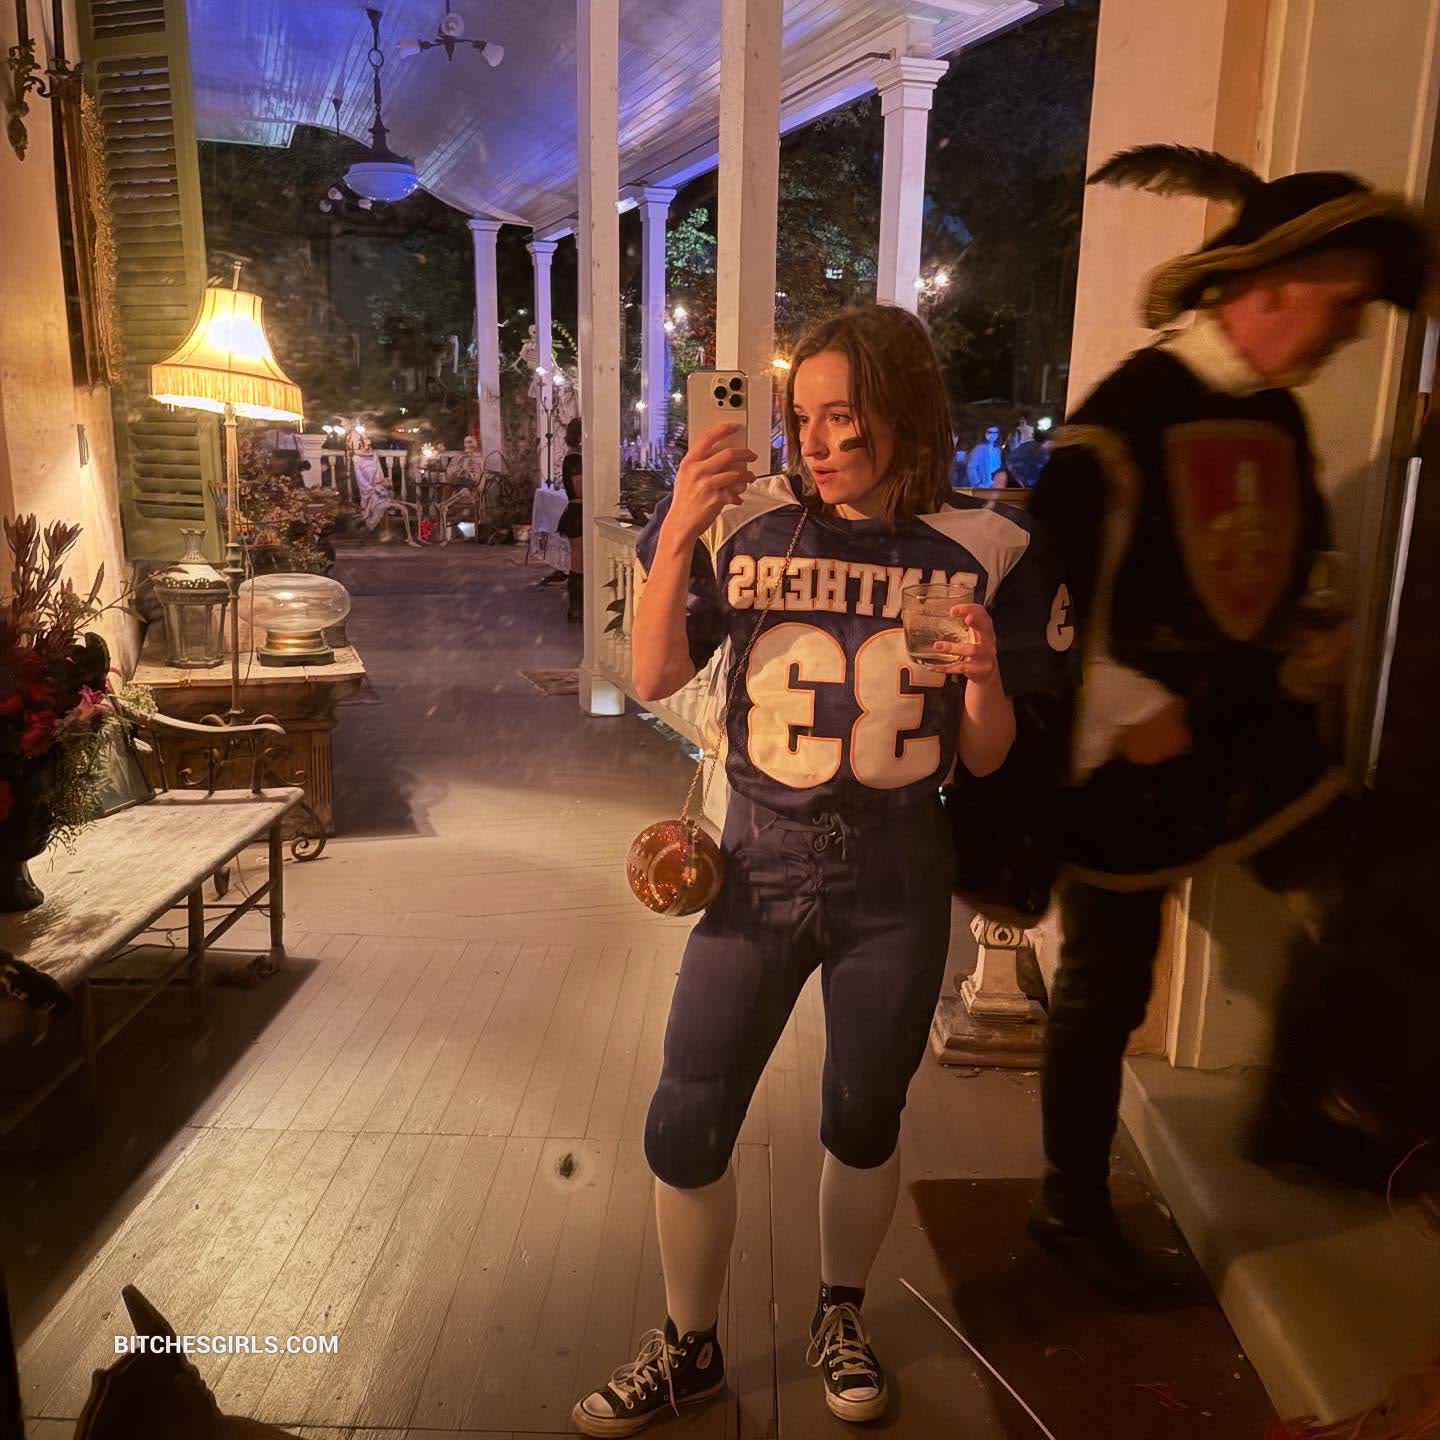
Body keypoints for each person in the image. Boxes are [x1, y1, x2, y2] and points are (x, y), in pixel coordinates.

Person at [572, 305, 1066, 1436]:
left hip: (899, 870)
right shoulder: (749, 520)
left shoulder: (985, 542)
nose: (818, 441)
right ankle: (689, 1345)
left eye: (845, 415)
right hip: (756, 860)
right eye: (803, 418)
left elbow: (988, 755)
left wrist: (985, 677)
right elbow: (653, 676)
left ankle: (839, 1311)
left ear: (907, 410)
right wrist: (680, 526)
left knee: (864, 1111)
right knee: (687, 1113)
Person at [1028, 145, 1434, 1301]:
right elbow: (1050, 590)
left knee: (1364, 882)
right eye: (1340, 307)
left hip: (1252, 742)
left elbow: (1284, 557)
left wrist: (1316, 627)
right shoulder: (1129, 413)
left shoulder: (1277, 416)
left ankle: (1301, 1110)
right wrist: (1127, 708)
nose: (1345, 334)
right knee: (1108, 982)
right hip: (1135, 760)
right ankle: (1067, 1203)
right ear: (1269, 286)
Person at [558, 448, 584, 622]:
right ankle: (577, 609)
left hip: (576, 511)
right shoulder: (575, 459)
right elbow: (580, 489)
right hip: (578, 513)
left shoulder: (572, 458)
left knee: (577, 563)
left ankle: (576, 609)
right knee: (579, 564)